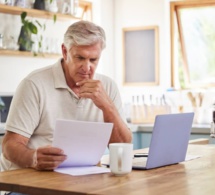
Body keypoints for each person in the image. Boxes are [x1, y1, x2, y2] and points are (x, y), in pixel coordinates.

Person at [1, 20, 132, 174]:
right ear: (65, 51)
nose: (87, 67)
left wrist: (107, 106)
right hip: (28, 179)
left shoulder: (108, 86)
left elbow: (124, 146)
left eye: (93, 60)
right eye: (80, 58)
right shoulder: (34, 84)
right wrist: (33, 158)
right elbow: (9, 146)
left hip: (81, 179)